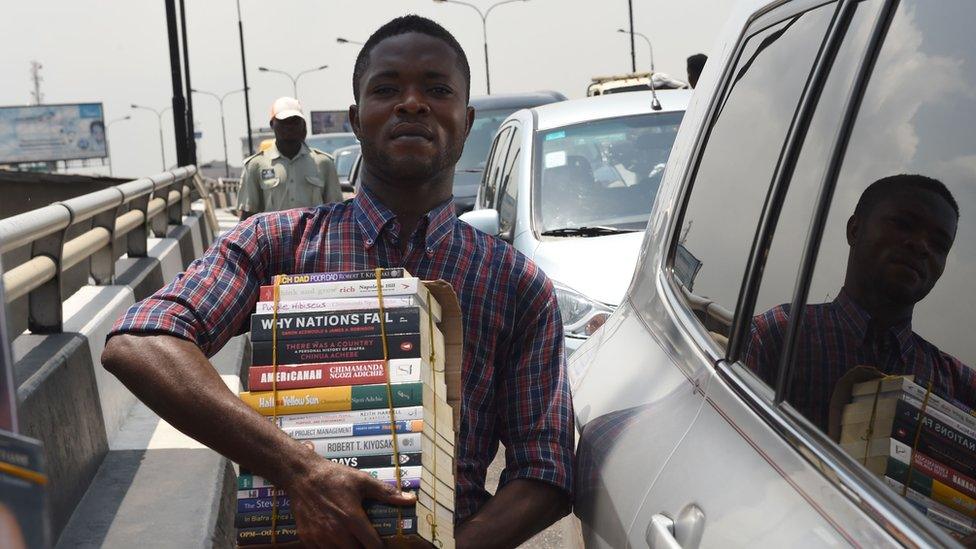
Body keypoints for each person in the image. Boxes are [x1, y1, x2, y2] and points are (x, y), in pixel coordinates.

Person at [102, 15, 573, 548]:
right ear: (356, 119)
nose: (412, 103)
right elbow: (139, 342)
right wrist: (300, 471)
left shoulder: (515, 283)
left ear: (465, 122)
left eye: (437, 90)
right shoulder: (274, 246)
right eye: (387, 89)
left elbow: (547, 470)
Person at [743, 174, 976, 429]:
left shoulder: (956, 385)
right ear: (855, 230)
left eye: (939, 244)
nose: (921, 246)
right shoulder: (778, 335)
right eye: (903, 224)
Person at [237, 97, 342, 220]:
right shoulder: (255, 165)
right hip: (272, 238)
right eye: (283, 121)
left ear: (303, 125)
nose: (289, 126)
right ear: (272, 124)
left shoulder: (323, 163)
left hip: (313, 238)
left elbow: (336, 213)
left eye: (295, 121)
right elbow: (247, 215)